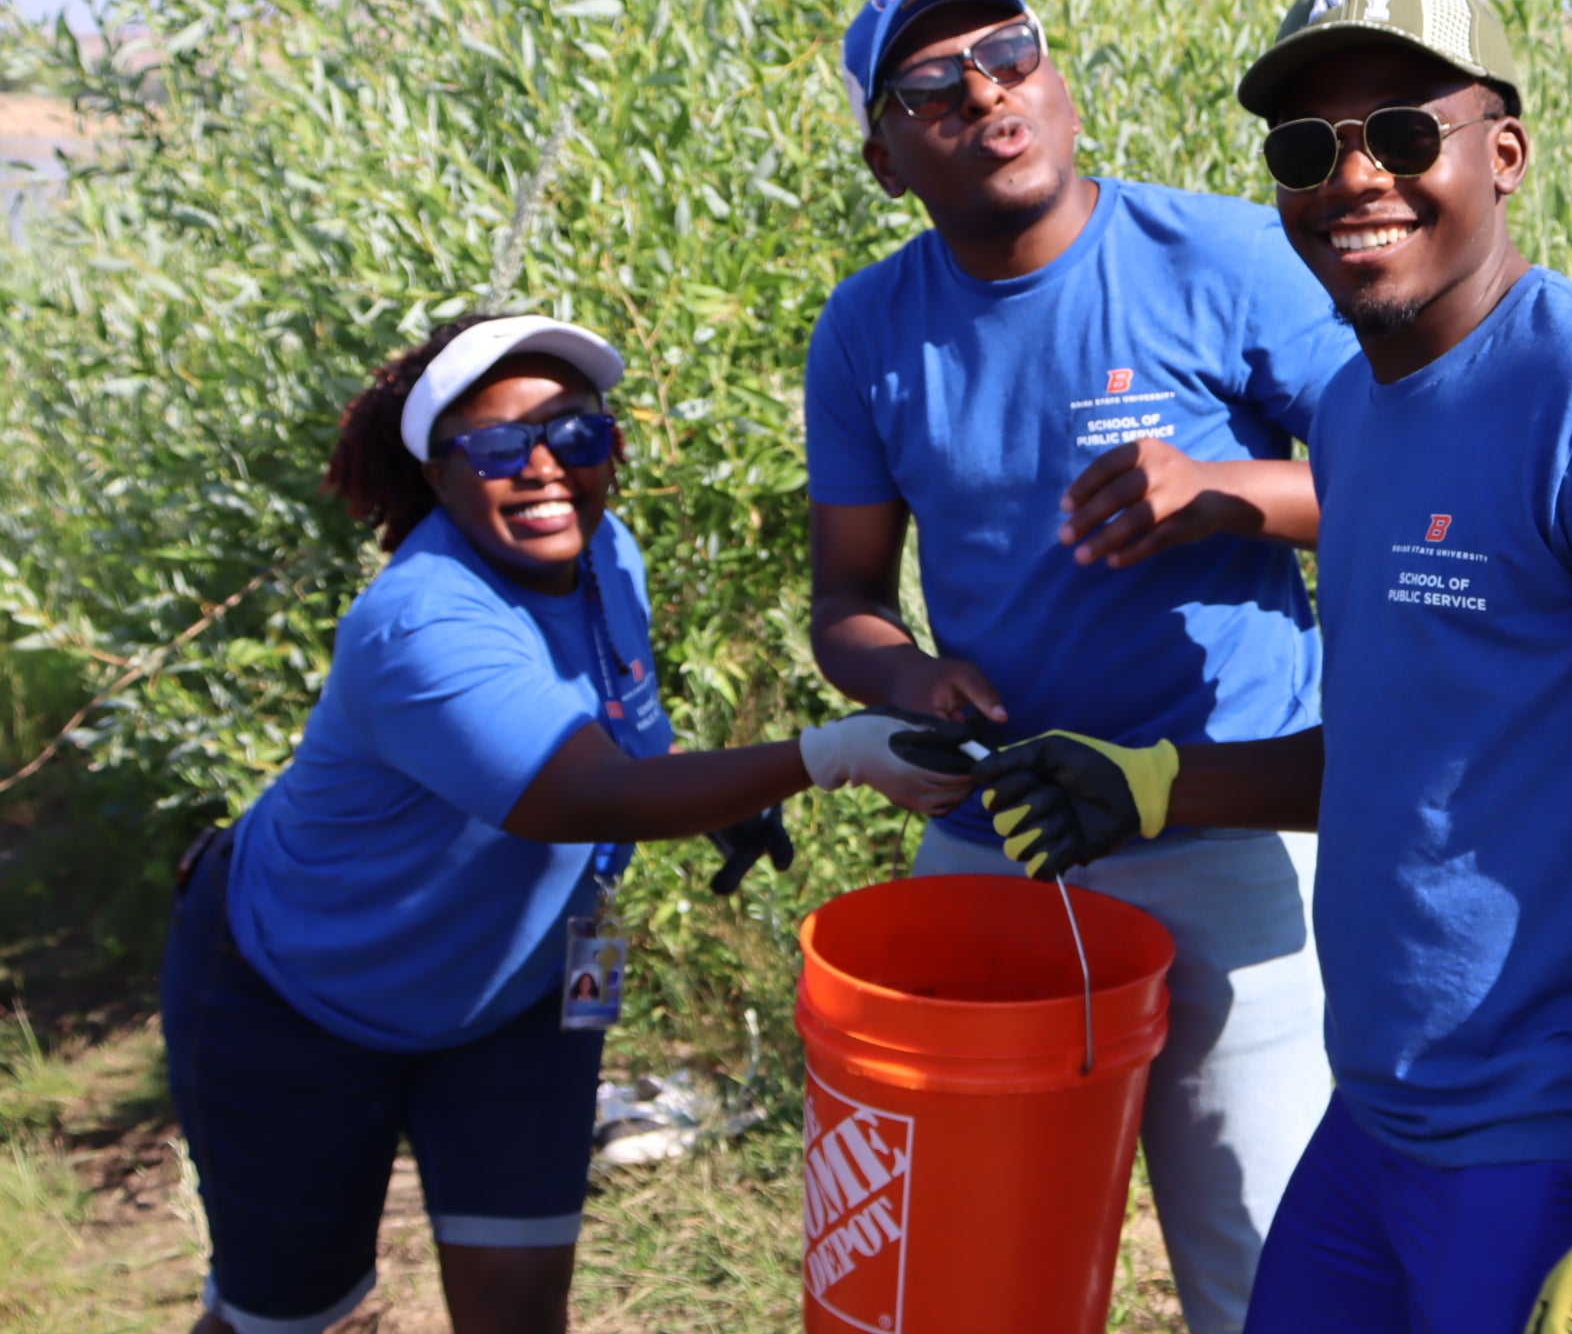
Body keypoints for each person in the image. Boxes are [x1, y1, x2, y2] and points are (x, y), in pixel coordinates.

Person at [964, 0, 1572, 1334]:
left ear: (1502, 152)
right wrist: (1159, 783)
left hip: (1567, 1134)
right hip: (1381, 1113)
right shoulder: (1357, 412)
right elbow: (1416, 743)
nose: (1355, 176)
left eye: (1402, 132)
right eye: (1311, 144)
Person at [163, 313, 972, 1334]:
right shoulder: (422, 625)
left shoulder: (605, 559)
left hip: (520, 995)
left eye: (576, 435)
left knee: (520, 1304)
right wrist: (833, 754)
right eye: (499, 445)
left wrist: (724, 797)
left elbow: (622, 743)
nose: (545, 468)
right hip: (301, 996)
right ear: (438, 472)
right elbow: (578, 793)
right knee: (288, 1315)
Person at [806, 0, 1358, 1333]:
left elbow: (1415, 490)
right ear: (886, 157)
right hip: (1005, 845)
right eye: (931, 86)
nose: (984, 90)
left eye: (1008, 51)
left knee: (1262, 1268)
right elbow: (849, 605)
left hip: (1231, 834)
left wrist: (1225, 492)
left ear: (1055, 76)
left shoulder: (1222, 259)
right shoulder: (869, 331)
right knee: (972, 1271)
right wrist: (905, 677)